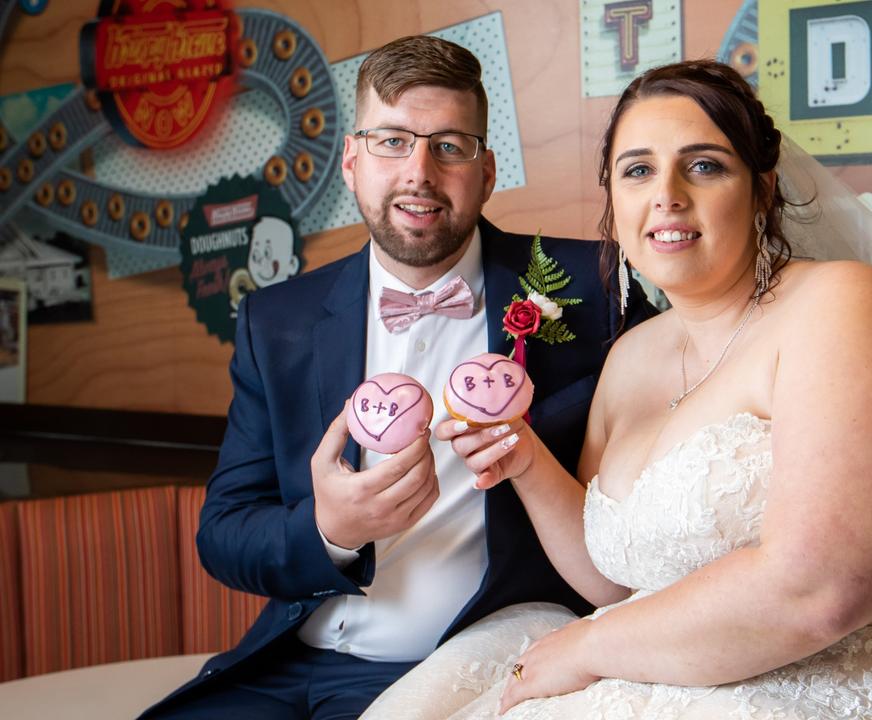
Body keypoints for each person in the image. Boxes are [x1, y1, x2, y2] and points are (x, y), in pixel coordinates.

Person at [361, 61, 872, 719]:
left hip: (859, 688)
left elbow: (820, 592)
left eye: (703, 164)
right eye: (637, 170)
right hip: (668, 679)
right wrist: (525, 459)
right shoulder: (631, 356)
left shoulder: (844, 303)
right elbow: (618, 577)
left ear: (763, 190)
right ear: (614, 198)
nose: (666, 193)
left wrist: (587, 646)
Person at [141, 35, 657, 719]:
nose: (419, 171)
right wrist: (329, 528)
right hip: (289, 663)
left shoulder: (598, 290)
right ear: (351, 162)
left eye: (449, 145)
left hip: (463, 669)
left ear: (487, 170)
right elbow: (224, 534)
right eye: (391, 142)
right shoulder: (276, 320)